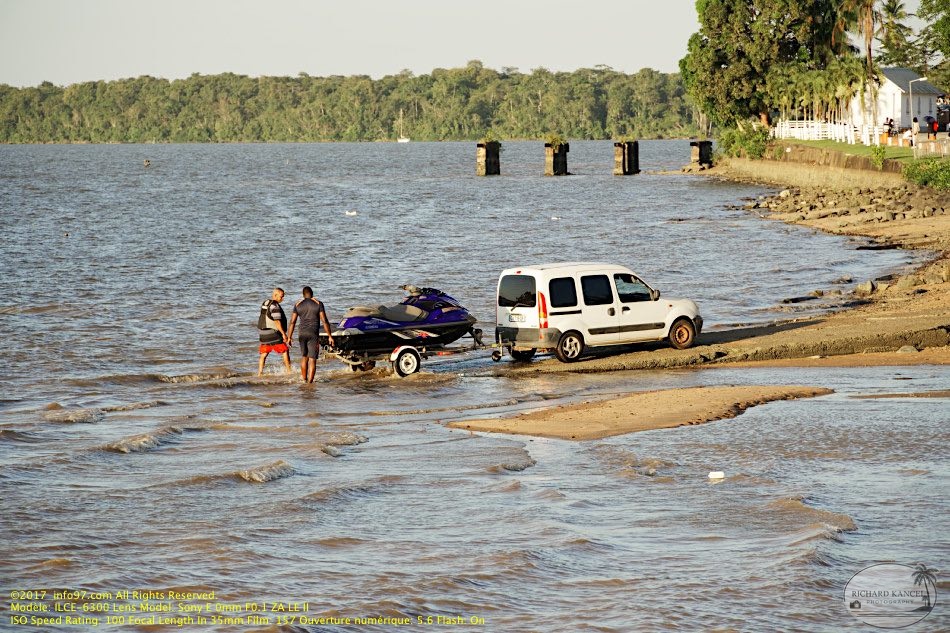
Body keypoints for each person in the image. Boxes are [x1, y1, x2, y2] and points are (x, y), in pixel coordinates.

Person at [287, 286, 335, 383]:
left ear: (303, 295)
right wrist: (330, 336)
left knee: (304, 357)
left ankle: (304, 380)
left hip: (302, 333)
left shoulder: (297, 305)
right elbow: (324, 321)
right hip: (313, 333)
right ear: (312, 294)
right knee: (312, 359)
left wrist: (289, 337)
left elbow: (292, 322)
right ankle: (310, 382)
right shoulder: (318, 304)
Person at [258, 287, 291, 375]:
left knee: (264, 354)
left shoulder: (265, 303)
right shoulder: (275, 306)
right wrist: (284, 334)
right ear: (275, 295)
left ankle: (260, 373)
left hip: (262, 334)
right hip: (273, 333)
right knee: (285, 351)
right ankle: (289, 371)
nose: (283, 298)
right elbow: (277, 322)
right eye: (281, 296)